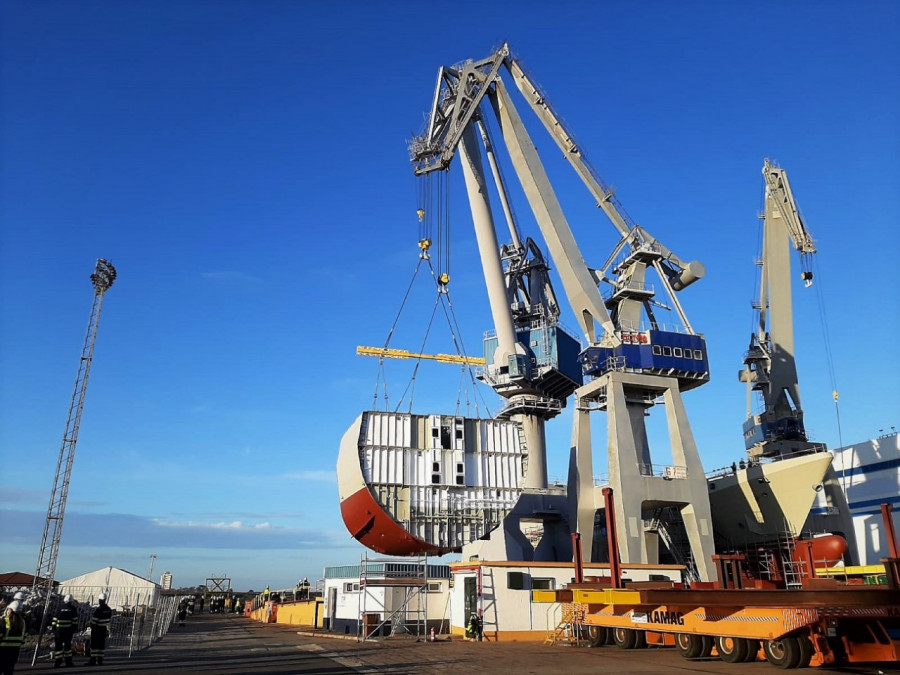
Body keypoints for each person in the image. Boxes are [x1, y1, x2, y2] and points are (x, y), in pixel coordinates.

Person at [0, 601, 27, 675]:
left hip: (2, 652)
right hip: (14, 652)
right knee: (9, 672)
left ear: (10, 610)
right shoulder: (22, 622)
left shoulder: (5, 621)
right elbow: (23, 638)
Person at [52, 594, 78, 668]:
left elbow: (54, 619)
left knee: (58, 647)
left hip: (59, 630)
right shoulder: (73, 609)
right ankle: (68, 662)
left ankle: (57, 662)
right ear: (71, 601)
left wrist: (54, 629)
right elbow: (75, 621)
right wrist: (73, 629)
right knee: (67, 647)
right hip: (68, 631)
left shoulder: (59, 608)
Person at [87, 593, 112, 666]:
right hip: (103, 629)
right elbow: (109, 620)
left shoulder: (98, 610)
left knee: (94, 645)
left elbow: (94, 621)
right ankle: (100, 660)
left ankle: (93, 660)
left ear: (100, 600)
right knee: (101, 645)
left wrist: (90, 624)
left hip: (96, 629)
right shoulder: (109, 609)